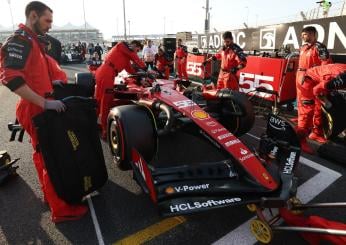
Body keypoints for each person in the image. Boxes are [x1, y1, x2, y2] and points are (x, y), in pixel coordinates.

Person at [0, 1, 88, 223]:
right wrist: (45, 102)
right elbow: (10, 77)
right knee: (52, 157)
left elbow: (36, 75)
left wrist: (52, 89)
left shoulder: (32, 40)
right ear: (33, 16)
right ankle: (60, 210)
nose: (50, 26)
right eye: (47, 21)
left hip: (38, 105)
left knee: (42, 154)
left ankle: (51, 196)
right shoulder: (20, 40)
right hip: (35, 108)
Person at [94, 40, 146, 137]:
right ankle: (105, 130)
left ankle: (93, 124)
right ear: (134, 45)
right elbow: (134, 57)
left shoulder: (126, 57)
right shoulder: (121, 45)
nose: (136, 52)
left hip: (105, 73)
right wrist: (144, 67)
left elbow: (131, 70)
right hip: (106, 73)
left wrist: (143, 76)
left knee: (99, 100)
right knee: (106, 101)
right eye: (137, 50)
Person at [295, 26, 332, 152]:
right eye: (302, 34)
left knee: (316, 107)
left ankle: (316, 133)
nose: (302, 36)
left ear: (313, 34)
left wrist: (323, 81)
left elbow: (326, 64)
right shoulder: (303, 47)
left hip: (313, 79)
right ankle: (300, 139)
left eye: (305, 34)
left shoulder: (320, 47)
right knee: (305, 108)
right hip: (302, 79)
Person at [301, 64, 346, 143]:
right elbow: (317, 90)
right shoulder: (338, 80)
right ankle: (309, 136)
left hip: (323, 80)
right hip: (309, 80)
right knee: (313, 110)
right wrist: (326, 102)